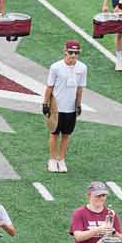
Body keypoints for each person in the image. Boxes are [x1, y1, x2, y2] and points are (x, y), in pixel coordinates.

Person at [44, 39, 89, 173]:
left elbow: (80, 88)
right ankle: (52, 159)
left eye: (76, 53)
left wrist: (78, 104)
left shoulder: (82, 68)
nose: (73, 55)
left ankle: (61, 159)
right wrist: (45, 103)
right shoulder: (56, 67)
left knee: (66, 134)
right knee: (54, 133)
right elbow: (50, 86)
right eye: (70, 52)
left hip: (70, 107)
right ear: (65, 52)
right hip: (56, 107)